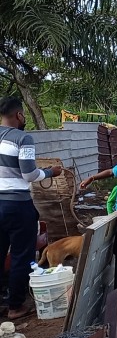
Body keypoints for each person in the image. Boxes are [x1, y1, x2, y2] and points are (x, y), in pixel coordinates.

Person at [0, 96, 62, 319]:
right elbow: (29, 174)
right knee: (21, 254)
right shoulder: (22, 138)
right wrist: (50, 172)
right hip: (16, 205)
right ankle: (15, 306)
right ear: (18, 115)